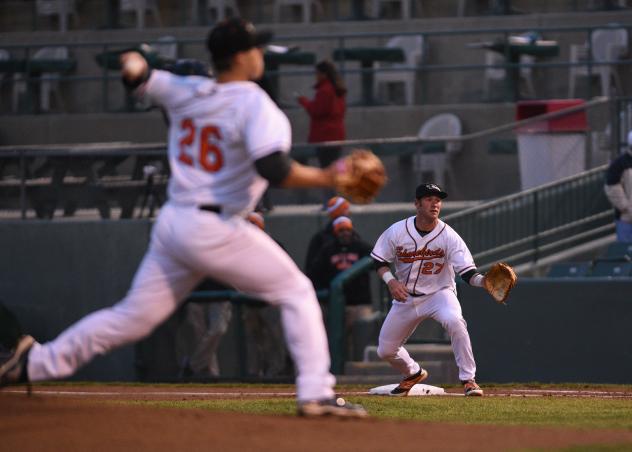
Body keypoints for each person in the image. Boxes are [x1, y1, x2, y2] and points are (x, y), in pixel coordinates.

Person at [0, 18, 367, 418]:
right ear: (242, 56)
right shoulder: (254, 102)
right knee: (296, 291)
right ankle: (315, 392)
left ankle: (34, 363)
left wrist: (135, 63)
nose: (260, 54)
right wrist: (329, 176)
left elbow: (136, 74)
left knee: (132, 318)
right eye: (256, 48)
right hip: (216, 226)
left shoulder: (185, 89)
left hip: (174, 223)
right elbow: (274, 169)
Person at [371, 183, 487, 397]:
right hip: (406, 297)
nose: (435, 204)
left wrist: (485, 282)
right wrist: (391, 281)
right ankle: (413, 372)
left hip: (439, 294)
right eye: (429, 199)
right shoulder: (397, 231)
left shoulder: (449, 235)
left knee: (455, 321)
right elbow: (378, 260)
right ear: (416, 204)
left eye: (438, 200)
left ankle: (468, 379)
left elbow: (468, 273)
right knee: (385, 350)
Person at [308, 216, 375, 359]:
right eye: (341, 230)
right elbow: (315, 272)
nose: (345, 233)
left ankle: (361, 370)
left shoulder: (361, 247)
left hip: (359, 302)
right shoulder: (328, 250)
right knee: (338, 343)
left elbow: (378, 262)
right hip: (337, 305)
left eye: (347, 230)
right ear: (336, 232)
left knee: (362, 341)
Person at [242, 212, 291, 377]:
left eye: (254, 224)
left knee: (275, 339)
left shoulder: (274, 246)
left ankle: (276, 372)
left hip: (271, 301)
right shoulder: (240, 249)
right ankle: (254, 374)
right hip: (250, 301)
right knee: (254, 341)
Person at [175, 278, 232, 379]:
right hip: (195, 293)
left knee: (218, 329)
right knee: (200, 336)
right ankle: (212, 375)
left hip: (220, 293)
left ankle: (192, 365)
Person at [297, 60, 347, 169]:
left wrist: (303, 101)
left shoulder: (325, 90)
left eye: (317, 73)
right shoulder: (337, 89)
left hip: (325, 136)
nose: (316, 76)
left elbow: (317, 111)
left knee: (327, 169)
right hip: (337, 135)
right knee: (336, 167)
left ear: (323, 74)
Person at [304, 196, 350, 275]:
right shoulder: (321, 239)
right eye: (346, 209)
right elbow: (311, 269)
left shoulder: (353, 237)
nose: (348, 212)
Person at [604, 130, 632, 243]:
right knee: (626, 253)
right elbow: (611, 187)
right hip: (626, 220)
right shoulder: (620, 164)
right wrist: (627, 208)